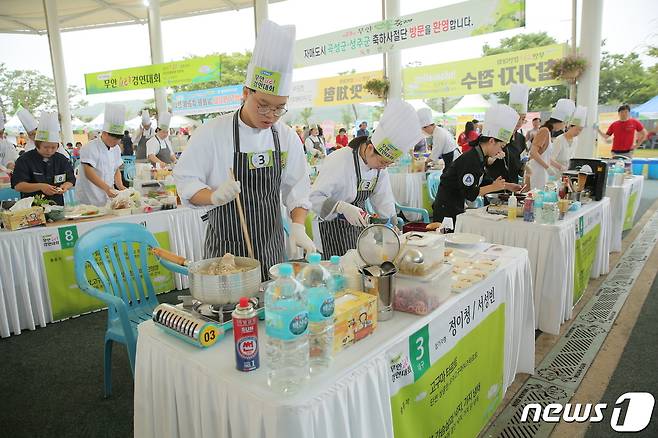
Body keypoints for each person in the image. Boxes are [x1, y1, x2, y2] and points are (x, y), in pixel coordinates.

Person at [173, 19, 316, 280]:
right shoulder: (212, 133)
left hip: (272, 251)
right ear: (245, 93)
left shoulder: (285, 137)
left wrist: (297, 226)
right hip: (226, 255)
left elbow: (297, 188)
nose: (271, 114)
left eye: (279, 107)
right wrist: (214, 196)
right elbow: (186, 183)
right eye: (263, 104)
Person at [310, 99, 422, 258]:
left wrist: (392, 226)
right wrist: (341, 207)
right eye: (382, 162)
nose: (383, 167)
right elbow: (314, 198)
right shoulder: (339, 159)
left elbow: (384, 200)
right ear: (370, 148)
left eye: (387, 164)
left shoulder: (379, 168)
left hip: (359, 228)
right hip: (331, 229)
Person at [433, 104, 522, 224]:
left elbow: (483, 181)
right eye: (501, 146)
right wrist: (494, 187)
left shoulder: (480, 156)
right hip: (446, 208)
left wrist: (506, 186)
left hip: (456, 204)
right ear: (491, 141)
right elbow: (470, 193)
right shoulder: (471, 159)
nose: (500, 151)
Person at [11, 112, 75, 206]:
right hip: (31, 208)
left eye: (53, 147)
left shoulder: (61, 159)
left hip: (57, 207)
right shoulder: (24, 159)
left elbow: (71, 179)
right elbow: (18, 185)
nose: (49, 151)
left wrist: (65, 186)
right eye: (45, 147)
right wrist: (41, 186)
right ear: (37, 145)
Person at [76, 103, 128, 206]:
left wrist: (120, 186)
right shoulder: (90, 147)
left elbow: (116, 168)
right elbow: (88, 172)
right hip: (90, 196)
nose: (116, 141)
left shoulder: (116, 149)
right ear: (104, 133)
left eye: (118, 139)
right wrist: (106, 188)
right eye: (114, 138)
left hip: (108, 196)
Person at [526, 98, 575, 190]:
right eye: (564, 124)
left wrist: (559, 166)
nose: (563, 127)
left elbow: (545, 156)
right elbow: (533, 152)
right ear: (560, 121)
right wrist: (548, 167)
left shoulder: (548, 132)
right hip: (536, 170)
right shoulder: (544, 130)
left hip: (541, 171)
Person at [487, 84, 529, 185]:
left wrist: (526, 169)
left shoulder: (521, 138)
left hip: (513, 184)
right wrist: (494, 157)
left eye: (523, 119)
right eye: (517, 118)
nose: (519, 122)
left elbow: (521, 160)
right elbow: (487, 161)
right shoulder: (498, 135)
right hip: (496, 183)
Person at [552, 106, 587, 171]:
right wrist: (561, 167)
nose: (578, 132)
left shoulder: (576, 140)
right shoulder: (559, 140)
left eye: (580, 130)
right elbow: (550, 159)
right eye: (577, 129)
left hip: (568, 172)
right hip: (555, 172)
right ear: (570, 127)